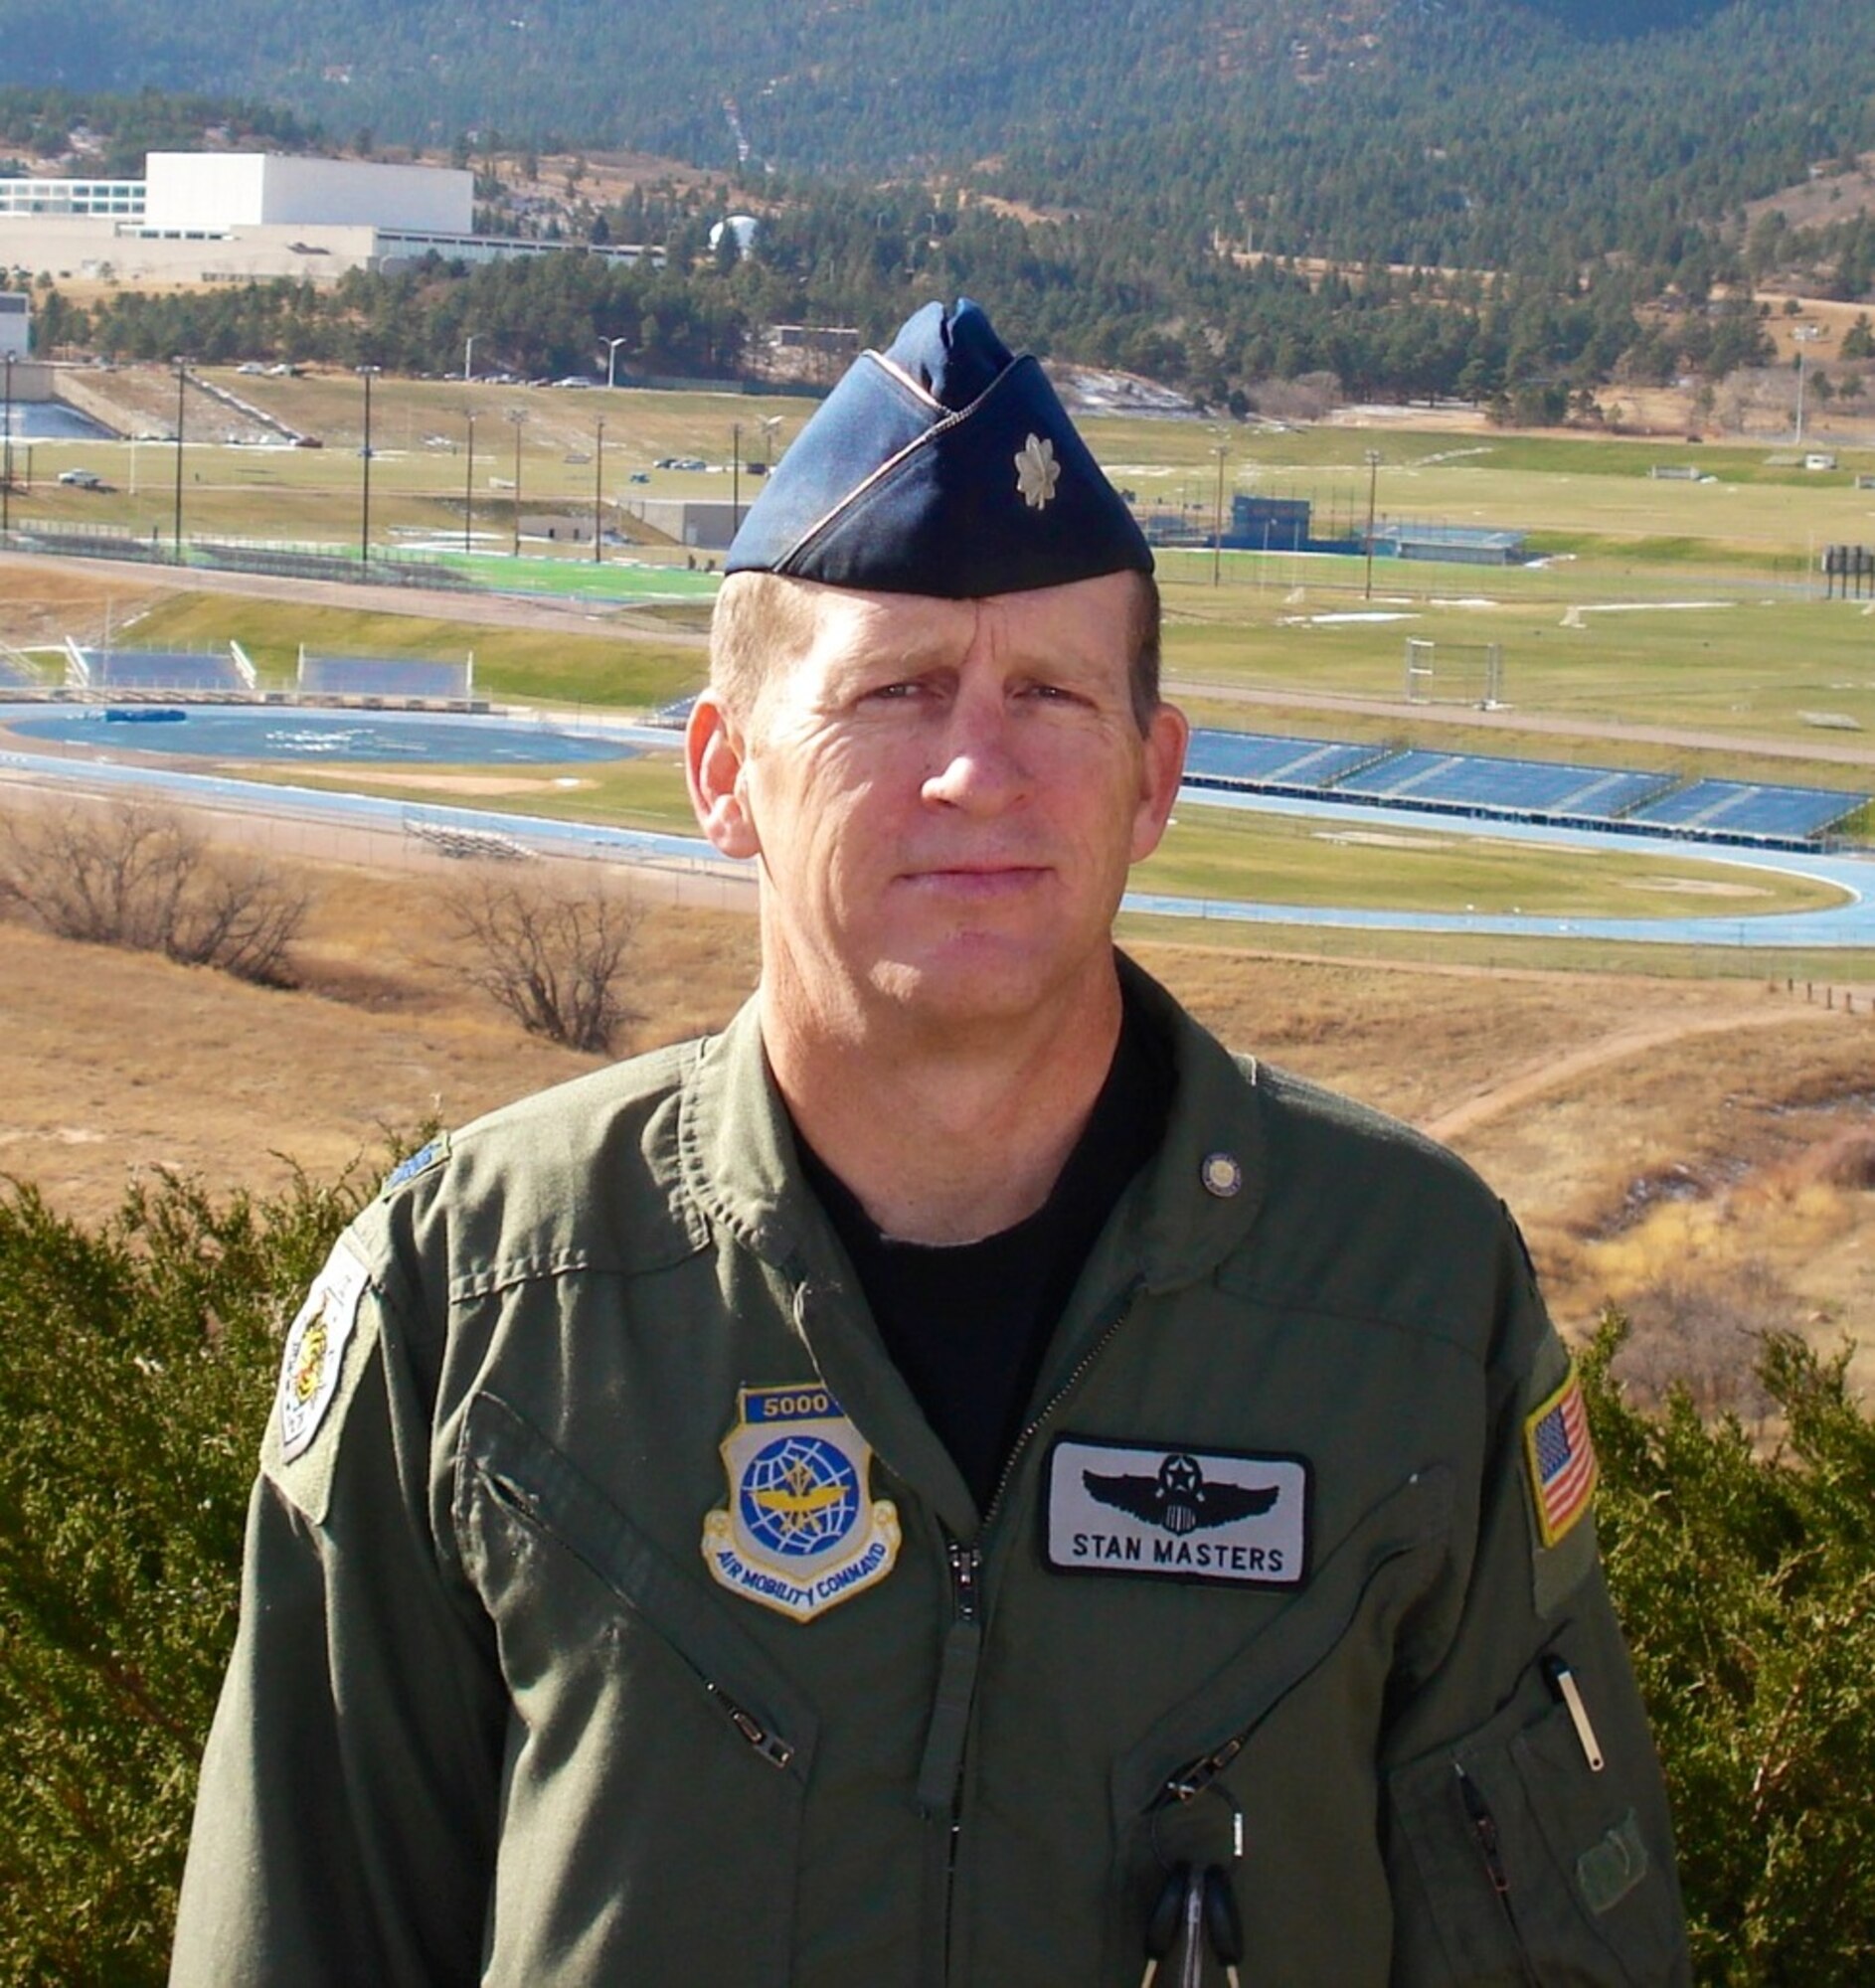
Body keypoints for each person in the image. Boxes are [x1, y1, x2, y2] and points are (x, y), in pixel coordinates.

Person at [171, 299, 1689, 1986]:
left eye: (1050, 693)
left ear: (1152, 777)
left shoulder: (1401, 1298)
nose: (978, 770)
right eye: (894, 693)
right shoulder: (479, 1301)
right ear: (723, 771)